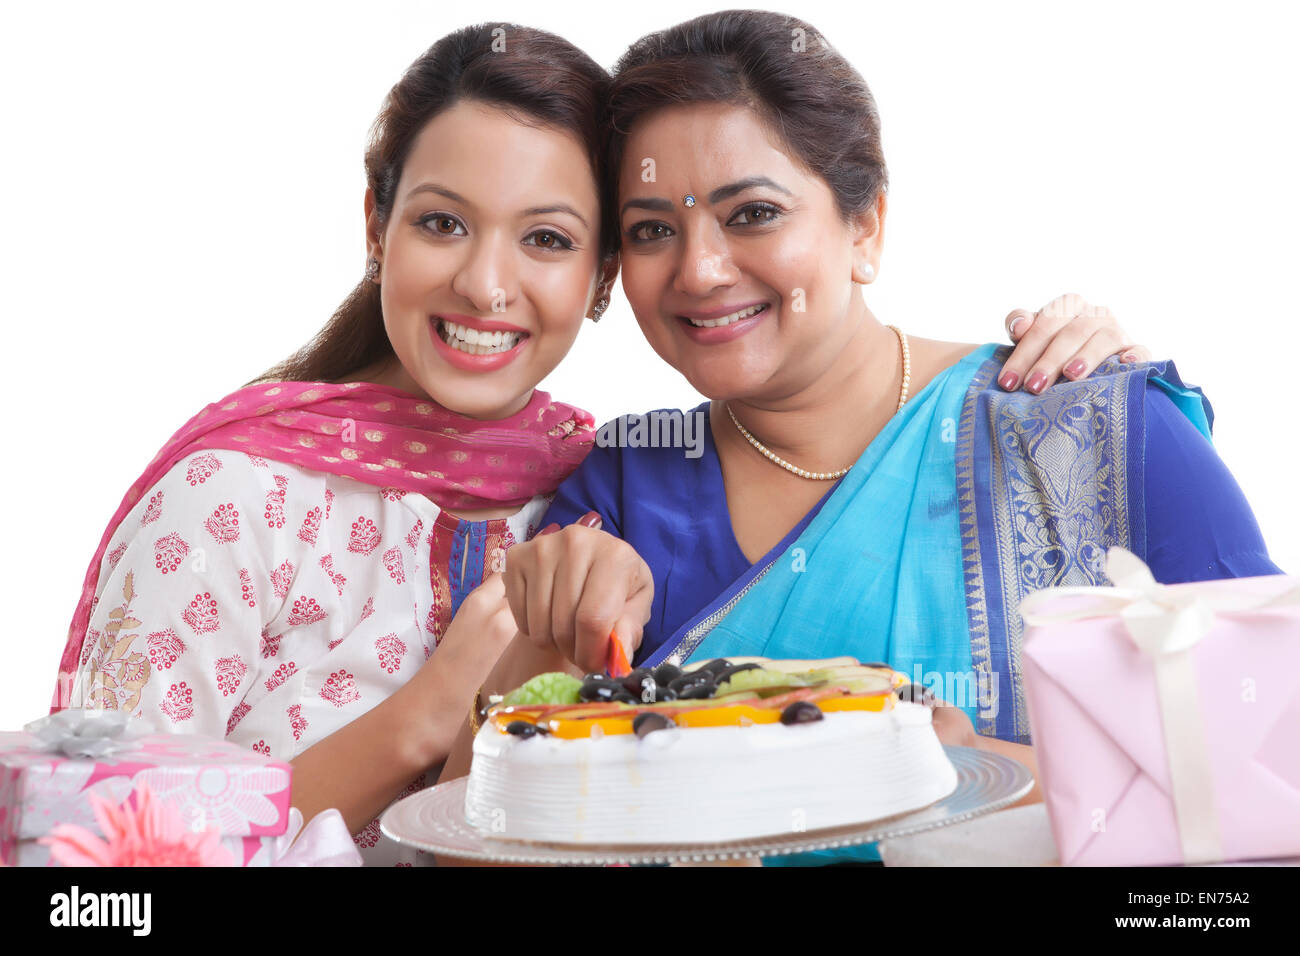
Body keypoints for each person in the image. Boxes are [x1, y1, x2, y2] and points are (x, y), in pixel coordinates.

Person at [57, 19, 1144, 866]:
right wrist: (422, 718)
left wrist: (1079, 398)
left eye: (547, 239)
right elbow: (88, 871)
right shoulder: (227, 504)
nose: (487, 282)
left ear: (597, 286)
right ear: (374, 224)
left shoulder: (583, 489)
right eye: (441, 221)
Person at [441, 11, 1282, 866]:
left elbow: (1271, 784)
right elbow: (467, 844)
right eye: (653, 228)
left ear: (866, 226)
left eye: (754, 213)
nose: (698, 269)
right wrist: (543, 640)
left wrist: (978, 779)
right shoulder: (623, 487)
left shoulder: (1093, 434)